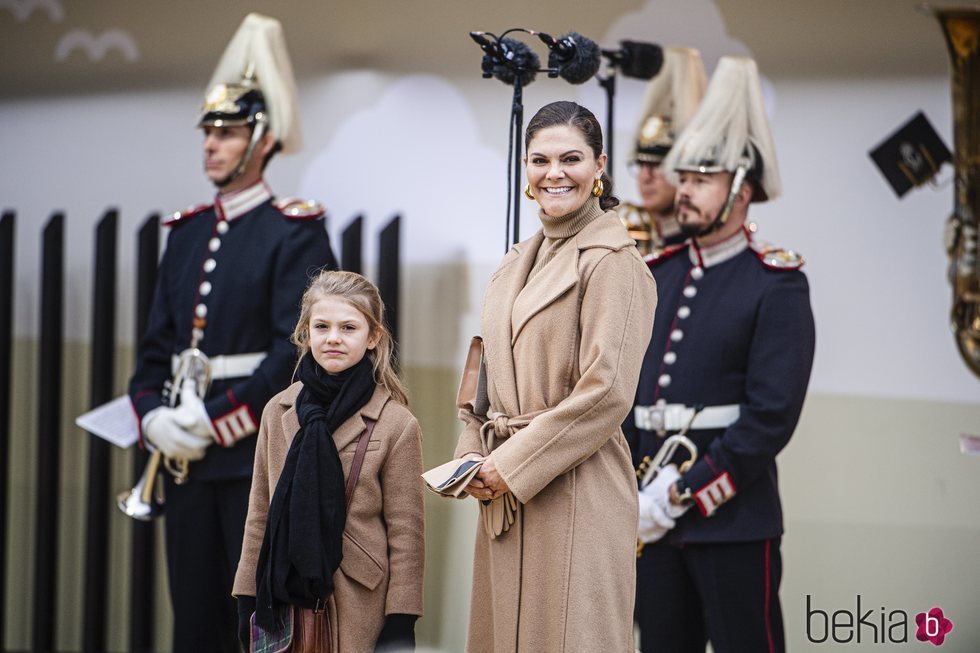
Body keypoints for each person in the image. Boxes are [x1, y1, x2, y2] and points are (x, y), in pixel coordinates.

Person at [126, 13, 337, 652]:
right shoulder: (187, 232)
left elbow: (292, 351)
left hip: (250, 456)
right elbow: (155, 348)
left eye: (227, 132)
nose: (211, 145)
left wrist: (216, 420)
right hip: (183, 461)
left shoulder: (293, 230)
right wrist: (151, 418)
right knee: (191, 621)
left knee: (252, 623)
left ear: (262, 140)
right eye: (209, 133)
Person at [625, 57, 816, 653]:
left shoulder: (776, 283)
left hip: (730, 520)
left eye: (702, 179)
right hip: (646, 518)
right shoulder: (655, 272)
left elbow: (768, 420)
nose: (684, 190)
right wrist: (632, 495)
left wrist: (681, 493)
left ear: (743, 188)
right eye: (684, 177)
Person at [453, 101, 658, 652]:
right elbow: (485, 371)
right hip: (502, 488)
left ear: (599, 167)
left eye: (571, 158)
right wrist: (472, 453)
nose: (555, 173)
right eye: (540, 160)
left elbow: (606, 393)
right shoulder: (515, 261)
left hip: (576, 491)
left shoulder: (615, 262)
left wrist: (508, 466)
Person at [233, 270, 424, 652]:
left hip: (360, 597)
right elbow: (260, 511)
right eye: (322, 326)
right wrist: (247, 597)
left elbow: (407, 532)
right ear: (305, 333)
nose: (333, 337)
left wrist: (402, 618)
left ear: (373, 337)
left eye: (349, 327)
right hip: (283, 594)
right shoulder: (279, 411)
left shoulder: (395, 423)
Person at [619, 47, 706, 257]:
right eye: (641, 165)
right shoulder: (624, 232)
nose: (646, 177)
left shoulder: (701, 243)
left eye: (658, 165)